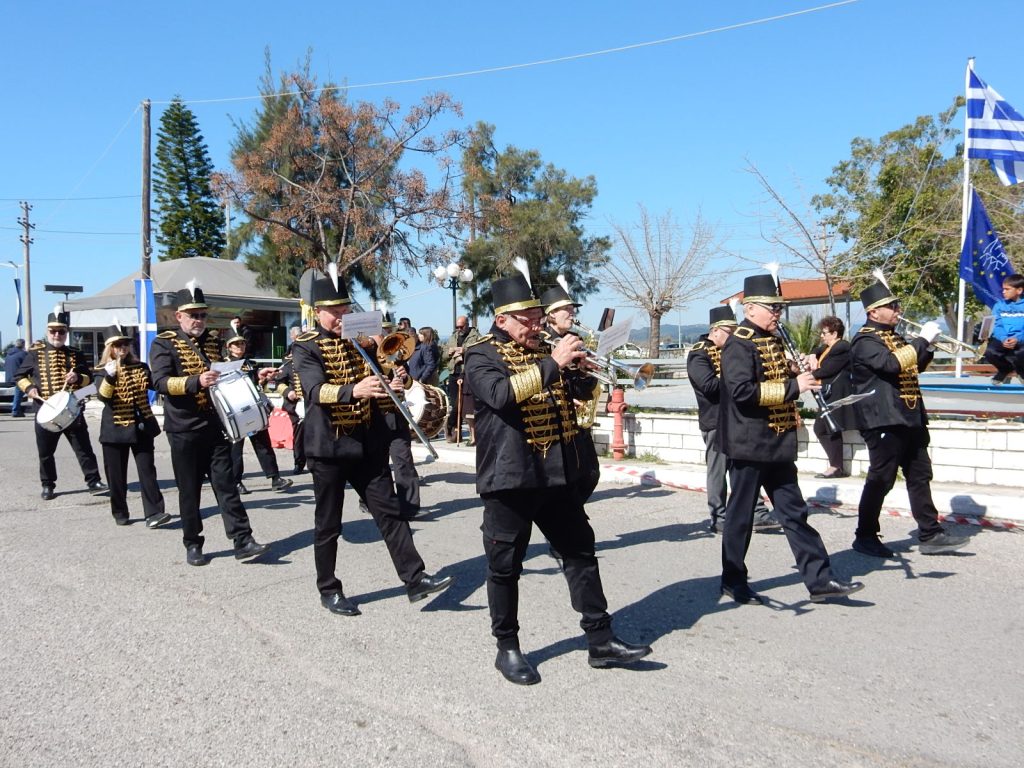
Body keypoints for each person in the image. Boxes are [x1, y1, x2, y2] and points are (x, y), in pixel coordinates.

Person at [465, 271, 651, 686]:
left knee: (581, 553)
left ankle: (601, 640)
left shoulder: (542, 350)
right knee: (505, 566)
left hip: (556, 475)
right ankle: (507, 647)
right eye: (527, 319)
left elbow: (577, 395)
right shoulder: (480, 354)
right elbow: (499, 395)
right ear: (502, 320)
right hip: (510, 477)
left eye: (537, 316)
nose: (536, 325)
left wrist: (583, 370)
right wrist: (554, 363)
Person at [291, 266, 451, 617]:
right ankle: (329, 589)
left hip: (366, 445)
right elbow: (316, 391)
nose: (341, 316)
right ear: (317, 312)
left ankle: (415, 579)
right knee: (328, 524)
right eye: (333, 311)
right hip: (329, 448)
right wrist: (354, 390)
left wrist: (388, 386)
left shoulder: (357, 342)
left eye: (344, 309)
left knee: (391, 513)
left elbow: (373, 384)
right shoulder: (305, 347)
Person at [718, 271, 863, 605]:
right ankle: (732, 579)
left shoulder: (772, 339)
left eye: (779, 308)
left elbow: (773, 376)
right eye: (772, 307)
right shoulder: (739, 342)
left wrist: (795, 372)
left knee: (795, 513)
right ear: (750, 308)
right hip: (749, 444)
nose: (777, 314)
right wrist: (792, 387)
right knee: (740, 518)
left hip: (777, 442)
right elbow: (742, 392)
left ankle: (820, 580)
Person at [150, 283, 271, 566]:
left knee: (226, 484)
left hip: (213, 425)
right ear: (178, 316)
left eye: (202, 315)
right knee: (189, 490)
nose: (198, 320)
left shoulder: (214, 342)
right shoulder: (163, 342)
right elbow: (159, 382)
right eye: (192, 315)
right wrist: (195, 382)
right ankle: (193, 543)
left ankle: (243, 540)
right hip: (183, 428)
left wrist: (254, 376)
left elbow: (225, 375)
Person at [849, 275, 970, 558]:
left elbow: (914, 365)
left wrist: (927, 346)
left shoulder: (895, 336)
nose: (897, 310)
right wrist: (921, 340)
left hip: (909, 415)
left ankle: (930, 533)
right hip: (883, 419)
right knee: (882, 479)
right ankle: (865, 535)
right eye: (891, 306)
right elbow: (891, 364)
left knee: (919, 475)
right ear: (873, 312)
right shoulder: (865, 340)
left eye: (896, 305)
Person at [686, 306, 779, 534]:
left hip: (736, 419)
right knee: (718, 471)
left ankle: (757, 513)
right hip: (715, 419)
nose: (733, 335)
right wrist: (737, 379)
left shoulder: (732, 348)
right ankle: (718, 516)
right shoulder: (699, 353)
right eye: (729, 331)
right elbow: (708, 386)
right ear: (716, 331)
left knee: (745, 466)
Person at [16, 311, 107, 500]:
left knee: (84, 449)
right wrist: (30, 388)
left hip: (72, 410)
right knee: (45, 452)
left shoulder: (75, 354)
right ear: (47, 331)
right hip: (46, 410)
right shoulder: (36, 353)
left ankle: (94, 481)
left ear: (66, 332)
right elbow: (19, 376)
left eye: (61, 331)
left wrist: (77, 378)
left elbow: (90, 381)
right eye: (53, 331)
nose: (57, 335)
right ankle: (47, 484)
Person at [95, 324, 170, 528]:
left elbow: (157, 384)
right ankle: (120, 511)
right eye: (118, 345)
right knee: (116, 476)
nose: (123, 349)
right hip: (115, 430)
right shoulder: (102, 371)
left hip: (142, 427)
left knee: (147, 471)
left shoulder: (140, 367)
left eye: (126, 344)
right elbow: (103, 397)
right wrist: (110, 376)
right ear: (109, 348)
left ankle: (154, 512)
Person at [539, 280, 601, 504]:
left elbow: (584, 390)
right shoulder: (540, 342)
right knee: (566, 480)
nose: (572, 312)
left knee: (591, 474)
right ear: (551, 314)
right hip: (552, 420)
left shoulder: (576, 339)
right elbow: (539, 378)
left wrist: (586, 373)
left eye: (571, 308)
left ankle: (571, 517)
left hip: (576, 421)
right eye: (566, 308)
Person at [224, 335, 293, 494]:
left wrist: (263, 377)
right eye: (235, 344)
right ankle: (236, 482)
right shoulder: (225, 364)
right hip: (236, 409)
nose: (240, 346)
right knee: (236, 448)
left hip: (252, 407)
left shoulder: (248, 363)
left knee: (263, 443)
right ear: (229, 347)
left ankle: (275, 478)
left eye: (242, 343)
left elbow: (255, 382)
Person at [809, 316, 854, 479]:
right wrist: (813, 354)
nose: (822, 336)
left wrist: (806, 376)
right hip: (829, 394)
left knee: (830, 428)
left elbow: (827, 370)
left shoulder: (841, 347)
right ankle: (836, 465)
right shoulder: (830, 347)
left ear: (834, 334)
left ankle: (836, 467)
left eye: (825, 333)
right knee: (823, 428)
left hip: (836, 393)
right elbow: (819, 349)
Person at [444, 315, 480, 443]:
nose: (459, 329)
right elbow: (443, 354)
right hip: (454, 373)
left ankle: (450, 425)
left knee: (464, 405)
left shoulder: (475, 335)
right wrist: (449, 352)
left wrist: (464, 351)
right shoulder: (453, 337)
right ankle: (455, 432)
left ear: (467, 324)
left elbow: (478, 350)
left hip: (467, 373)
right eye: (457, 327)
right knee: (455, 404)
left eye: (462, 326)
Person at [982, 274, 1024, 384]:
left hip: (1021, 340)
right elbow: (997, 325)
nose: (1003, 292)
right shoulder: (999, 305)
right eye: (1003, 289)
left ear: (1019, 290)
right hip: (1004, 339)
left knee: (1020, 353)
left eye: (1007, 289)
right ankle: (1005, 369)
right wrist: (1003, 338)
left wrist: (1018, 338)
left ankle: (1022, 372)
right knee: (990, 352)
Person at [4, 338, 27, 417]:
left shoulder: (8, 353)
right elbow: (28, 365)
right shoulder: (23, 354)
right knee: (19, 393)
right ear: (23, 344)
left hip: (9, 377)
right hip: (18, 377)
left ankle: (16, 409)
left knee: (18, 392)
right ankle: (16, 411)